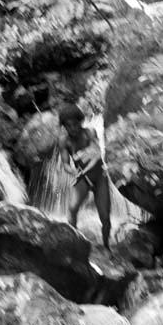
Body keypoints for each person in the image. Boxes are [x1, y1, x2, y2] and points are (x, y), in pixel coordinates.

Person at [58, 103, 111, 249]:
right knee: (72, 208)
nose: (72, 128)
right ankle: (74, 243)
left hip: (100, 177)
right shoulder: (64, 141)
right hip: (83, 178)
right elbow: (65, 165)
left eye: (75, 124)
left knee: (105, 217)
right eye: (68, 126)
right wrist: (73, 172)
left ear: (80, 122)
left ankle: (107, 247)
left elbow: (97, 154)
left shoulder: (90, 133)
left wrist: (86, 168)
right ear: (64, 126)